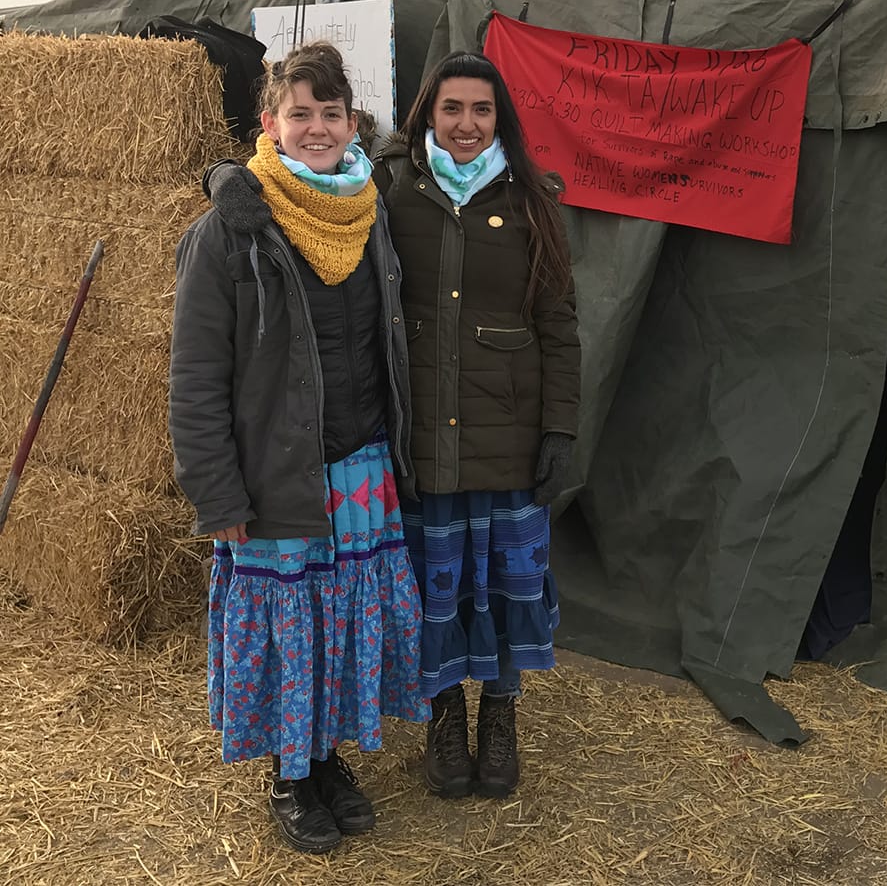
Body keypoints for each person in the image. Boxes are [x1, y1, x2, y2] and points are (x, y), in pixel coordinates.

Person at [170, 41, 429, 854]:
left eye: (331, 112)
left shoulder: (369, 209)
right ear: (269, 123)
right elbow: (195, 377)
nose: (317, 127)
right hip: (279, 470)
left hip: (359, 463)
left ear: (353, 121)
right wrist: (217, 494)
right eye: (300, 113)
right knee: (290, 626)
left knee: (340, 619)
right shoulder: (227, 231)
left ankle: (327, 758)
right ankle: (289, 771)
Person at [372, 50, 580, 800]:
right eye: (452, 108)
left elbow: (559, 322)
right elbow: (307, 193)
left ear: (501, 119)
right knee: (438, 589)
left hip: (508, 436)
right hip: (425, 436)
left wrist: (560, 426)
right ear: (429, 112)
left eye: (481, 110)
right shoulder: (391, 191)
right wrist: (223, 177)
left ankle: (499, 715)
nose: (465, 124)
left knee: (502, 587)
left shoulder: (529, 200)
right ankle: (443, 718)